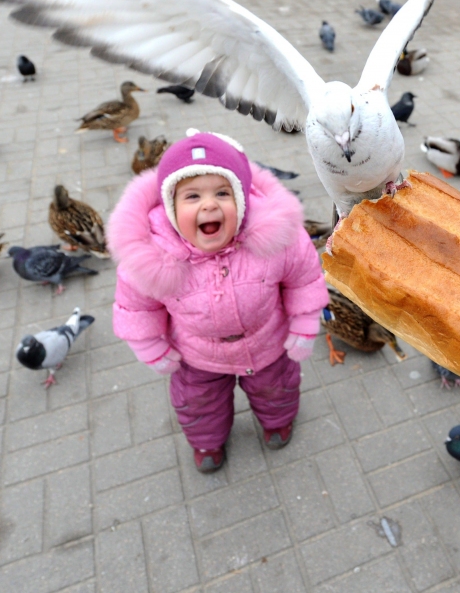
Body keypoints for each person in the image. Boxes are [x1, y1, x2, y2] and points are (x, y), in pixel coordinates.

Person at [107, 130, 328, 473]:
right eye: (192, 196)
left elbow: (303, 276)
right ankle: (206, 441)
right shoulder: (150, 255)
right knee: (198, 404)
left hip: (268, 343)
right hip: (197, 355)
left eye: (222, 193)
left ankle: (278, 420)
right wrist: (150, 346)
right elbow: (137, 306)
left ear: (242, 200)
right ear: (169, 209)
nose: (209, 205)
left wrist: (304, 323)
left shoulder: (275, 237)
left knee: (278, 388)